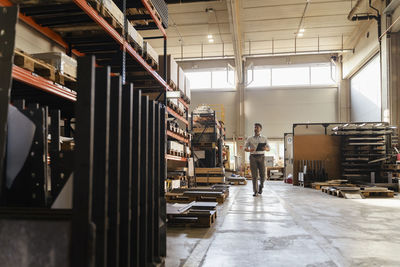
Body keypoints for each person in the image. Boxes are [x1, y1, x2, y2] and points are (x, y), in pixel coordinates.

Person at [244, 123, 270, 196]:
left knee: (263, 175)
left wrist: (265, 148)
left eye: (257, 127)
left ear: (260, 129)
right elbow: (244, 148)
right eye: (255, 127)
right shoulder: (250, 138)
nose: (255, 129)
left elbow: (269, 148)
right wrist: (249, 150)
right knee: (254, 175)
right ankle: (255, 191)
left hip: (261, 156)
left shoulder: (264, 138)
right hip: (253, 157)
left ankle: (261, 186)